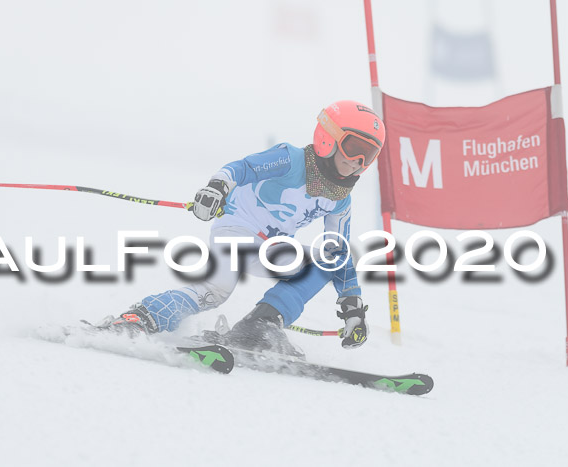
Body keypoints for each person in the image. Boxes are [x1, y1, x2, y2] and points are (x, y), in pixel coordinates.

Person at [97, 100, 386, 356]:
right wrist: (217, 188)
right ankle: (139, 318)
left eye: (368, 155)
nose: (357, 163)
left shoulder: (340, 200)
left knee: (329, 259)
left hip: (272, 248)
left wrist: (353, 308)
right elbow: (243, 168)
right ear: (328, 138)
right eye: (354, 148)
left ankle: (261, 324)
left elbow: (339, 252)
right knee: (215, 291)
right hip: (237, 230)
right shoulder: (292, 159)